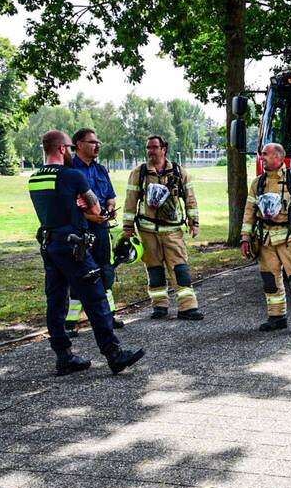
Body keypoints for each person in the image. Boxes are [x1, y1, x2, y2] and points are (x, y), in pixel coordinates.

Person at [28, 130, 145, 376]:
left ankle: (64, 356)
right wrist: (84, 204)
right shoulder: (73, 176)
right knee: (96, 297)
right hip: (73, 247)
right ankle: (113, 354)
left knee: (56, 301)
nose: (71, 152)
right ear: (62, 149)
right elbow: (96, 207)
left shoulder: (35, 178)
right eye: (69, 148)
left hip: (50, 246)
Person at [241, 142, 291, 334]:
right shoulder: (258, 183)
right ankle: (277, 317)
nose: (261, 157)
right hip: (266, 241)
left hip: (290, 240)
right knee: (270, 281)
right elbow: (249, 212)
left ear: (278, 157)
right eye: (262, 154)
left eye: (265, 154)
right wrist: (245, 238)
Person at [122, 136, 204, 320]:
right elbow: (130, 200)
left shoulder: (179, 172)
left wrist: (194, 222)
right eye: (148, 148)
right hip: (147, 230)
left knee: (180, 268)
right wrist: (128, 227)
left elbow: (190, 198)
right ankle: (159, 306)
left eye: (154, 147)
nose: (151, 151)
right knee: (154, 268)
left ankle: (188, 307)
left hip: (172, 231)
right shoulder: (139, 172)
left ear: (164, 149)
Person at [65, 128, 122, 336]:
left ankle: (109, 316)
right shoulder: (69, 171)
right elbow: (68, 205)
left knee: (105, 271)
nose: (97, 145)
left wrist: (110, 207)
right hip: (80, 230)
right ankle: (70, 322)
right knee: (80, 275)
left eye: (98, 142)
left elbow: (110, 195)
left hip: (101, 229)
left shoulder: (101, 170)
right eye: (92, 142)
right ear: (79, 144)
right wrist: (89, 217)